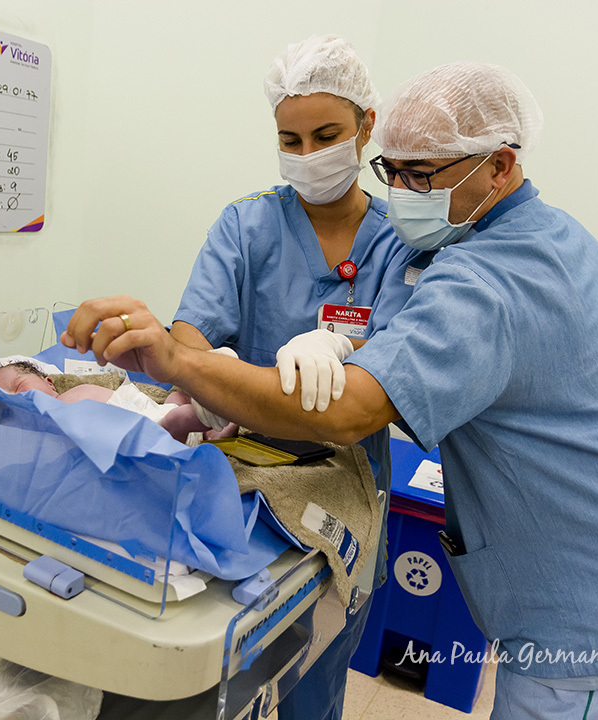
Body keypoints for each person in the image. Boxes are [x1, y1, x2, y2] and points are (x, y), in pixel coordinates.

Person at [62, 61, 598, 720]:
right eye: (394, 171)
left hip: (594, 609)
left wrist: (180, 361)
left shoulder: (484, 277)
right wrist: (295, 357)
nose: (404, 191)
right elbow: (410, 342)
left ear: (500, 165)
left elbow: (356, 406)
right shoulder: (548, 235)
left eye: (422, 175)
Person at [167, 35, 422, 720]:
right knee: (231, 667)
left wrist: (346, 347)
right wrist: (207, 368)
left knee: (318, 671)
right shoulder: (247, 224)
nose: (308, 155)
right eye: (291, 138)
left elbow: (400, 373)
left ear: (367, 125)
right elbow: (188, 333)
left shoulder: (404, 239)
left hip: (348, 484)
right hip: (250, 478)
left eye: (327, 134)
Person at [0, 359, 222, 443]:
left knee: (176, 397)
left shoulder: (69, 392)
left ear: (49, 382)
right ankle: (221, 419)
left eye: (18, 387)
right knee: (177, 419)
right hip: (151, 436)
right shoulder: (47, 423)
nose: (18, 398)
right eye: (9, 403)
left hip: (149, 410)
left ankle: (217, 404)